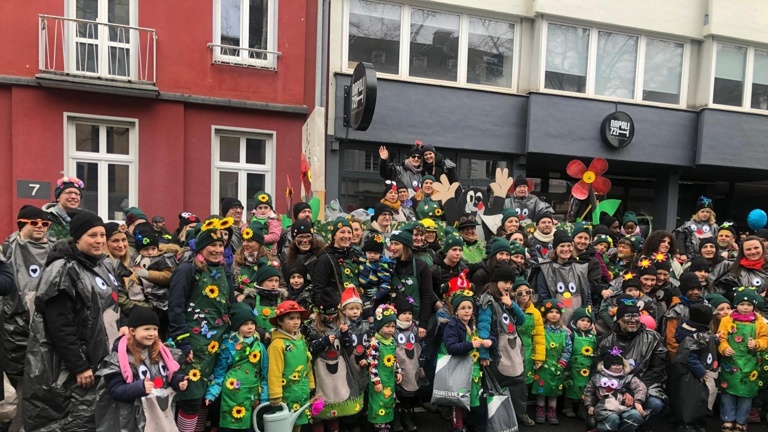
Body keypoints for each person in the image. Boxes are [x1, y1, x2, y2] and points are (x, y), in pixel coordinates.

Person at [23, 211, 121, 432]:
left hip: (98, 357)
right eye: (92, 235)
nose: (99, 241)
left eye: (102, 235)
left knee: (91, 419)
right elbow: (59, 324)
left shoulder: (99, 264)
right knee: (68, 421)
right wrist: (79, 365)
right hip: (68, 366)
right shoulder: (64, 269)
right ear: (77, 238)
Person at [168, 217, 234, 432]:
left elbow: (229, 306)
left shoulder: (226, 272)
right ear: (201, 247)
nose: (217, 250)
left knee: (206, 396)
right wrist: (183, 342)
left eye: (220, 245)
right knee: (191, 398)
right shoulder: (187, 270)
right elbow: (175, 307)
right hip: (192, 344)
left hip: (216, 344)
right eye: (212, 245)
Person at [94, 307, 188, 431]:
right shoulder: (119, 358)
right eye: (146, 329)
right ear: (132, 331)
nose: (152, 333)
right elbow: (115, 390)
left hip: (159, 415)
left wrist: (177, 381)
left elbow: (167, 377)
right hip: (132, 420)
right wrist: (140, 388)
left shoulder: (161, 353)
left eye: (155, 329)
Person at [1, 205, 53, 398]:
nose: (40, 226)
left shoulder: (56, 250)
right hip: (13, 324)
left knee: (42, 379)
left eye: (44, 223)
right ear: (21, 224)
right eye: (34, 222)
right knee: (14, 379)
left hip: (46, 324)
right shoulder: (7, 249)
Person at [477, 263, 531, 426]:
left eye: (510, 282)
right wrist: (484, 353)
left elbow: (521, 320)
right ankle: (499, 417)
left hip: (513, 347)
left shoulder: (509, 299)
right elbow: (483, 327)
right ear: (496, 281)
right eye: (505, 282)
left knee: (518, 381)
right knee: (499, 383)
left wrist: (511, 304)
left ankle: (520, 412)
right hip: (498, 349)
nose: (508, 285)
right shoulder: (487, 300)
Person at [597, 297, 668, 420]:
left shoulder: (653, 338)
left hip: (645, 384)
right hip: (614, 385)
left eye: (636, 316)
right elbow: (600, 368)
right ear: (618, 319)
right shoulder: (606, 340)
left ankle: (637, 421)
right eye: (628, 316)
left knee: (655, 404)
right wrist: (622, 389)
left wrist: (635, 391)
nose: (633, 320)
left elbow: (658, 369)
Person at [204, 303, 268, 431]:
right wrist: (212, 393)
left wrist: (264, 397)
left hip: (251, 395)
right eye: (245, 324)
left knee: (249, 427)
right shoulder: (228, 345)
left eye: (252, 323)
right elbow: (220, 372)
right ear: (237, 326)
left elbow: (264, 373)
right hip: (231, 395)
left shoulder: (260, 347)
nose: (250, 327)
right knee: (230, 426)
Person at [305, 290, 361, 427]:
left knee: (336, 400)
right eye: (327, 316)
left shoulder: (342, 323)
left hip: (338, 371)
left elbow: (348, 348)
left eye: (333, 315)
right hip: (320, 371)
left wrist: (345, 334)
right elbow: (308, 348)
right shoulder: (312, 326)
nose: (330, 318)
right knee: (319, 406)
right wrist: (323, 342)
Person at [717, 288, 768, 432]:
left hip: (750, 364)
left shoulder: (760, 322)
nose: (745, 307)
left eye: (749, 305)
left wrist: (757, 344)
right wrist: (724, 348)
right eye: (742, 304)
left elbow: (765, 339)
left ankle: (741, 421)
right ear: (736, 305)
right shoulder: (727, 320)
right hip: (730, 362)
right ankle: (727, 419)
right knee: (728, 393)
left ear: (754, 306)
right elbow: (721, 337)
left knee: (746, 395)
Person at [439, 287, 486, 432]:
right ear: (456, 311)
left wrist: (489, 343)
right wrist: (470, 344)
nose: (467, 311)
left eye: (469, 307)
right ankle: (457, 425)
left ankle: (470, 422)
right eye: (463, 308)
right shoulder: (452, 326)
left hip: (472, 367)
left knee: (472, 396)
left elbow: (483, 339)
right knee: (458, 398)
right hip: (458, 367)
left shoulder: (473, 324)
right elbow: (451, 347)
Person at [669, 303, 717, 432]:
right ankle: (685, 423)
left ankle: (694, 420)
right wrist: (701, 372)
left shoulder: (693, 332)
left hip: (694, 374)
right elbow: (691, 357)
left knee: (697, 398)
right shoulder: (693, 336)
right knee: (688, 399)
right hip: (689, 374)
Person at [267, 300, 314, 432]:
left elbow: (308, 362)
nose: (296, 322)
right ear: (280, 321)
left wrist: (310, 383)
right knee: (284, 424)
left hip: (301, 390)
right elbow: (274, 371)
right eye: (291, 318)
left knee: (298, 421)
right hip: (286, 392)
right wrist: (275, 394)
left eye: (298, 318)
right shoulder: (278, 344)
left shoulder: (301, 340)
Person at [583, 347, 647, 432]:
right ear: (607, 365)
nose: (618, 367)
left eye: (620, 364)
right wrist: (589, 406)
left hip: (625, 407)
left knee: (635, 416)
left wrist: (638, 402)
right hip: (605, 408)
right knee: (612, 418)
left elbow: (641, 388)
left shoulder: (628, 378)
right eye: (614, 365)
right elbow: (588, 392)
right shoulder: (597, 378)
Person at [536, 231, 591, 325]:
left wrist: (589, 319)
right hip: (555, 322)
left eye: (569, 246)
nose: (566, 249)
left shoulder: (580, 268)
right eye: (562, 246)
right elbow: (543, 298)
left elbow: (587, 296)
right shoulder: (546, 269)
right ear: (555, 249)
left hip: (579, 323)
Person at [532, 300, 572, 425]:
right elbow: (536, 344)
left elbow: (568, 348)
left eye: (557, 312)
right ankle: (540, 410)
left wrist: (562, 363)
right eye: (551, 312)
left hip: (557, 365)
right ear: (545, 314)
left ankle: (552, 411)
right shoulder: (540, 329)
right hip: (542, 364)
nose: (554, 315)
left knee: (553, 390)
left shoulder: (564, 331)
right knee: (541, 389)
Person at [390, 227, 434, 339]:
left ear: (405, 246)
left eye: (396, 244)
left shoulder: (422, 266)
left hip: (415, 322)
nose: (392, 247)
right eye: (391, 243)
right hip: (391, 323)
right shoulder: (389, 266)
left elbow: (427, 296)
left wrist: (423, 324)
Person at [367, 303, 403, 431]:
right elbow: (372, 364)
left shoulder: (392, 340)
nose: (390, 329)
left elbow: (393, 358)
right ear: (379, 326)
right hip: (379, 380)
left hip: (389, 379)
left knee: (388, 402)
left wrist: (398, 371)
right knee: (378, 403)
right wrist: (376, 381)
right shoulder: (375, 342)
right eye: (387, 326)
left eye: (393, 326)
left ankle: (386, 424)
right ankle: (379, 426)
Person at [312, 217, 361, 311]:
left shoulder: (356, 255)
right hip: (336, 311)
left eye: (349, 232)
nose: (346, 236)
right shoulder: (325, 259)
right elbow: (319, 289)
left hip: (357, 310)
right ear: (333, 235)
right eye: (342, 232)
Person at [392, 294, 422, 432]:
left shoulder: (414, 328)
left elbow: (420, 346)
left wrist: (421, 364)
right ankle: (396, 417)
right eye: (404, 313)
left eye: (410, 313)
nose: (408, 316)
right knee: (397, 392)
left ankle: (406, 416)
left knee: (409, 393)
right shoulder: (392, 328)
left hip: (412, 364)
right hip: (397, 364)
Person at [513, 277, 544, 402]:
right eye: (520, 293)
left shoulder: (535, 312)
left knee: (525, 380)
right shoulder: (509, 309)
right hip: (512, 349)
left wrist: (539, 357)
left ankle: (522, 409)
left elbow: (539, 336)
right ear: (514, 294)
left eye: (527, 291)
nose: (524, 295)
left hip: (528, 350)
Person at [239, 258, 285, 339]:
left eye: (276, 281)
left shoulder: (282, 299)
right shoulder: (251, 299)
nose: (274, 284)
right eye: (270, 281)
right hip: (256, 340)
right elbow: (244, 322)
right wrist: (262, 333)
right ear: (261, 282)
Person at [564, 306, 597, 419]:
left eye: (588, 321)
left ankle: (582, 408)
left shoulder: (593, 336)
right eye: (582, 320)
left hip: (587, 366)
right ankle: (568, 406)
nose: (585, 323)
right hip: (574, 365)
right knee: (570, 385)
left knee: (585, 387)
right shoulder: (572, 335)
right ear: (575, 321)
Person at [357, 234, 393, 320]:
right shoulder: (362, 261)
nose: (372, 255)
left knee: (369, 309)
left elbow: (386, 283)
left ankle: (371, 323)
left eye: (375, 253)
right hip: (361, 290)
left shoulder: (382, 266)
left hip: (374, 295)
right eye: (369, 253)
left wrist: (378, 294)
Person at [675, 196, 718, 263]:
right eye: (702, 211)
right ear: (697, 212)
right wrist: (682, 253)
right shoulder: (688, 225)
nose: (705, 214)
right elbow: (681, 240)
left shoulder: (714, 226)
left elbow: (717, 241)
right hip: (690, 258)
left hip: (709, 259)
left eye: (707, 212)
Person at [42, 176, 84, 240]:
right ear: (58, 198)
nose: (73, 196)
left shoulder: (84, 219)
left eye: (77, 194)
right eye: (69, 192)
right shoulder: (45, 218)